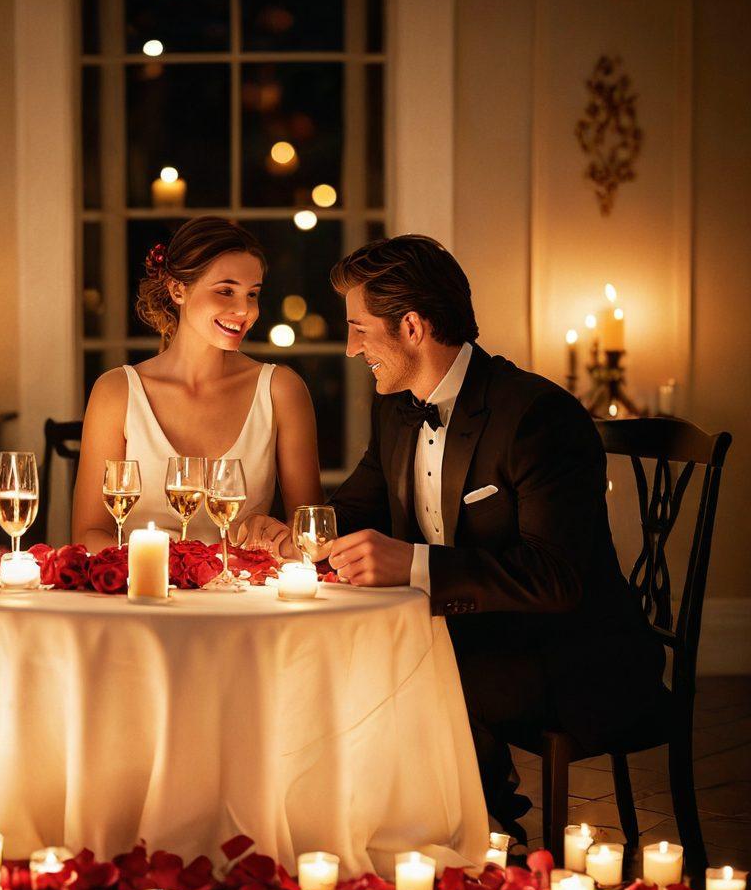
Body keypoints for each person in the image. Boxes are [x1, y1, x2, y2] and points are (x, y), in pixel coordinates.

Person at [254, 234, 668, 840]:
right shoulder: (399, 409)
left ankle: (473, 833)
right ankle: (377, 835)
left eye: (361, 329)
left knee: (399, 671)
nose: (350, 349)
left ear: (413, 328)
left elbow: (558, 579)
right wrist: (294, 536)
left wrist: (416, 566)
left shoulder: (536, 417)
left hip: (573, 656)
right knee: (350, 661)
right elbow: (353, 508)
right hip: (471, 637)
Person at [73, 216, 324, 551]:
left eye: (252, 294)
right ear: (178, 289)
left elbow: (311, 530)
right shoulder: (117, 392)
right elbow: (88, 534)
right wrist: (176, 570)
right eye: (226, 291)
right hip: (144, 596)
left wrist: (278, 537)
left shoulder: (281, 390)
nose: (244, 310)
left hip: (244, 597)